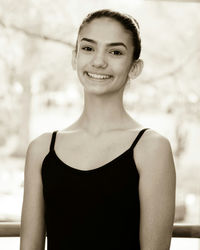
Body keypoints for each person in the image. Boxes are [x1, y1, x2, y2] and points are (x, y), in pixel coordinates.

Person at [20, 9, 176, 250]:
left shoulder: (152, 148)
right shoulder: (41, 149)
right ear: (74, 58)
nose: (99, 61)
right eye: (88, 48)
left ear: (134, 68)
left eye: (115, 52)